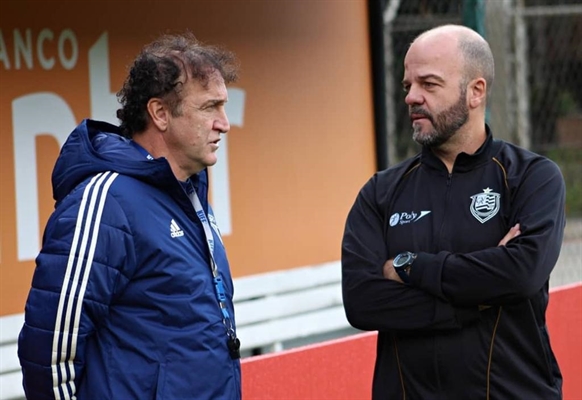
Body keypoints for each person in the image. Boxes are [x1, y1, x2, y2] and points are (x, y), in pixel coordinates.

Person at [342, 24, 565, 399]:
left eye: (428, 84)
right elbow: (363, 301)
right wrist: (476, 299)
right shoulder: (381, 192)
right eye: (407, 86)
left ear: (475, 92)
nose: (412, 97)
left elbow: (522, 274)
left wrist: (410, 266)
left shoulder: (531, 177)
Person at [18, 32, 241, 399]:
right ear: (160, 114)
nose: (224, 123)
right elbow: (51, 349)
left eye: (223, 107)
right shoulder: (108, 201)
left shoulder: (188, 191)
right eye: (209, 107)